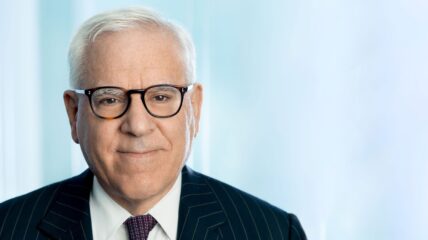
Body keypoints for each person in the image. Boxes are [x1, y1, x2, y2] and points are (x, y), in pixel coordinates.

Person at [0, 6, 306, 240]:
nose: (137, 125)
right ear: (74, 113)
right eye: (110, 99)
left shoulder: (274, 231)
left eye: (161, 97)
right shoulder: (9, 228)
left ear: (194, 110)